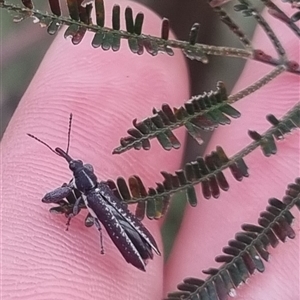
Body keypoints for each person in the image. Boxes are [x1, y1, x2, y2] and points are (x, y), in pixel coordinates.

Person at [1, 1, 298, 299]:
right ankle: (135, 247)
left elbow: (87, 201)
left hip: (102, 208)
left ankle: (134, 247)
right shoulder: (96, 189)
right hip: (101, 202)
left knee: (111, 225)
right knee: (115, 221)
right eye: (77, 170)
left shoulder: (92, 192)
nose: (78, 168)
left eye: (78, 168)